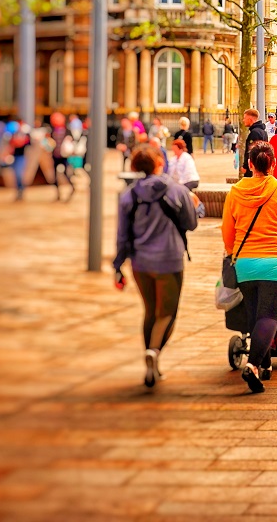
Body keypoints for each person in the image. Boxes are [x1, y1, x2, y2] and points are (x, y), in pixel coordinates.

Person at [113, 145, 200, 389]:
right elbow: (191, 224)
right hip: (169, 259)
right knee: (167, 313)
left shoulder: (129, 195)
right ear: (160, 163)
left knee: (150, 311)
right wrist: (194, 205)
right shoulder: (177, 190)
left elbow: (122, 235)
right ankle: (154, 352)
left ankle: (152, 362)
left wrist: (117, 266)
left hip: (140, 262)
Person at [222, 141, 277, 393]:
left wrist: (236, 253)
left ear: (249, 164)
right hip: (275, 263)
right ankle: (253, 365)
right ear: (274, 164)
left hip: (245, 264)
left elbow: (228, 233)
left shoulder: (235, 192)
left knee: (255, 314)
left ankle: (264, 363)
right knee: (269, 316)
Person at [241, 109, 267, 178]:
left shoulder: (254, 133)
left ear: (250, 119)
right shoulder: (263, 132)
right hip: (261, 166)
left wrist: (245, 166)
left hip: (253, 167)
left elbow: (251, 151)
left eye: (245, 118)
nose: (243, 120)